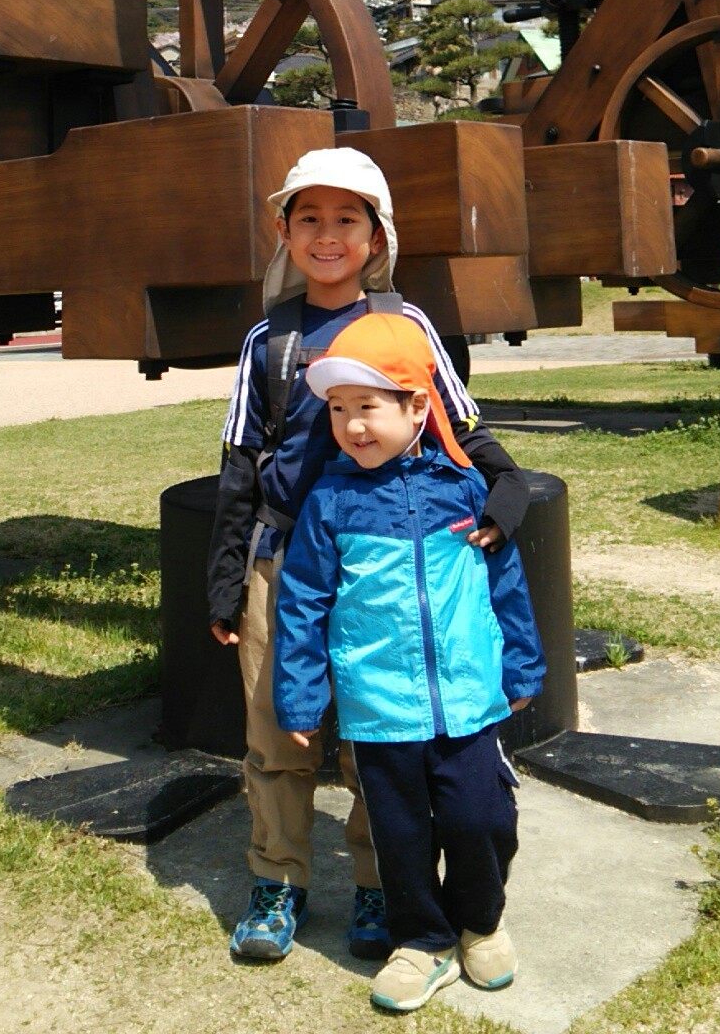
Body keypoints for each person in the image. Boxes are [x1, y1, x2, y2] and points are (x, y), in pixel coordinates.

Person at [206, 145, 530, 963]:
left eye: (346, 218)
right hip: (286, 561)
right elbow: (242, 463)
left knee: (380, 734)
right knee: (279, 731)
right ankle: (279, 879)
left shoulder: (406, 325)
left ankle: (381, 883)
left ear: (376, 234)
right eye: (308, 217)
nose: (326, 234)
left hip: (390, 557)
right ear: (283, 229)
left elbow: (460, 426)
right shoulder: (267, 342)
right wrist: (225, 582)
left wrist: (505, 491)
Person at [273, 311, 544, 1014]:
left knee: (480, 818)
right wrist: (302, 698)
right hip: (380, 707)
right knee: (399, 833)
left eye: (368, 407)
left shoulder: (464, 489)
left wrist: (521, 666)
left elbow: (505, 582)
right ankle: (422, 942)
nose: (353, 426)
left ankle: (479, 922)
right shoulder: (329, 503)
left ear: (418, 406)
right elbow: (301, 602)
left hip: (468, 698)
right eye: (338, 410)